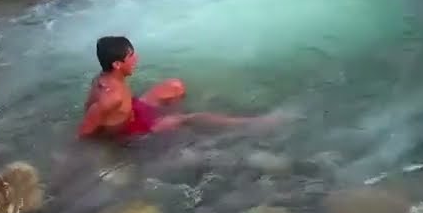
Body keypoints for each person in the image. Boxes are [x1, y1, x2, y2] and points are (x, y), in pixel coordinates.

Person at [78, 36, 276, 140]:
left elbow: (90, 106)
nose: (136, 58)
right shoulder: (110, 97)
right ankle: (250, 123)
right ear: (117, 64)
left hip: (132, 110)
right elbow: (85, 131)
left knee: (175, 86)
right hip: (132, 129)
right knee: (191, 118)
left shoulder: (104, 78)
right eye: (131, 56)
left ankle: (170, 120)